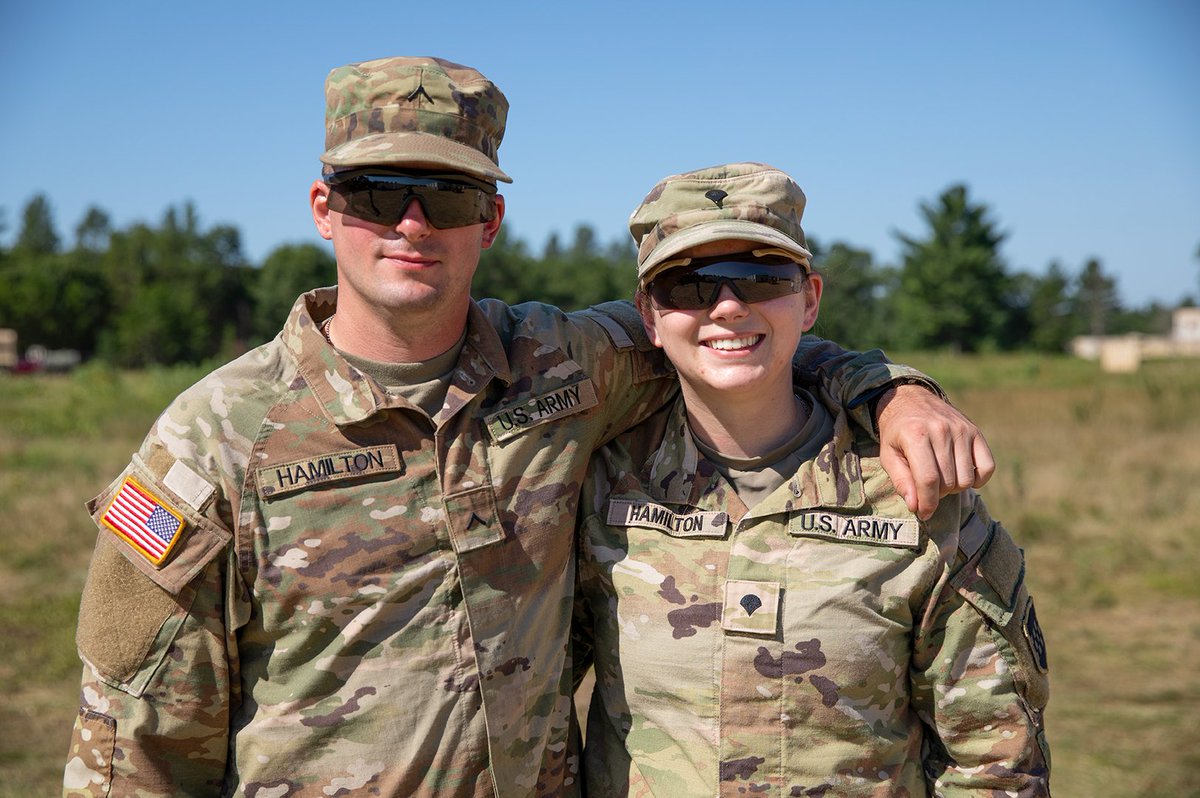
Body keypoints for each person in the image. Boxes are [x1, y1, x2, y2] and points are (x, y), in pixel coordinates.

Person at [63, 59, 993, 798]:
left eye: (452, 197)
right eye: (380, 192)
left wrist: (890, 390)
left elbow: (730, 335)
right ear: (324, 209)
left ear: (493, 220)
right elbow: (132, 746)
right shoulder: (214, 440)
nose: (415, 223)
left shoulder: (564, 365)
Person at [575, 162, 1050, 796]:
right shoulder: (601, 487)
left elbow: (996, 764)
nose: (727, 306)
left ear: (810, 300)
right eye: (687, 286)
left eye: (761, 278)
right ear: (650, 317)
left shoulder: (914, 496)